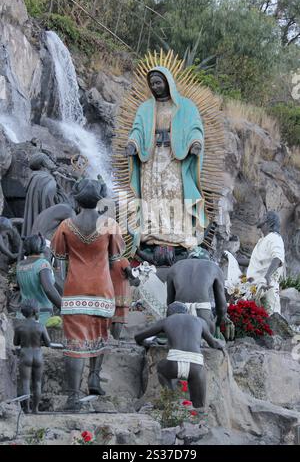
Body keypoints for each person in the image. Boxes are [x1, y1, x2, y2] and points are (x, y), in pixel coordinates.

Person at [51, 179, 130, 410]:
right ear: (100, 198)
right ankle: (94, 377)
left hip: (74, 290)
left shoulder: (66, 226)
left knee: (75, 345)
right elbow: (116, 260)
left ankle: (73, 396)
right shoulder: (109, 225)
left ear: (75, 198)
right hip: (102, 290)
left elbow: (60, 259)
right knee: (99, 335)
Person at [125, 66, 208, 255]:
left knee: (174, 192)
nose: (155, 87)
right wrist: (133, 143)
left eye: (158, 82)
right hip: (151, 159)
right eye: (152, 84)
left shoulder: (185, 106)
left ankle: (178, 234)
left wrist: (195, 142)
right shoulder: (145, 108)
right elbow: (137, 129)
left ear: (168, 82)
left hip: (174, 158)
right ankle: (152, 234)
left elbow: (195, 127)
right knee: (152, 196)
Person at [135, 302, 225, 410]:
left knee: (161, 368)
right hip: (195, 366)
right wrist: (222, 345)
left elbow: (138, 336)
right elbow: (214, 343)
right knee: (199, 406)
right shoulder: (200, 321)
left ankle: (171, 402)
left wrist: (145, 343)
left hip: (173, 364)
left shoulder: (167, 320)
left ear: (169, 313)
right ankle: (198, 417)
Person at [166, 258, 234, 339]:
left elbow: (170, 303)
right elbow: (222, 308)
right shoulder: (214, 267)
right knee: (214, 335)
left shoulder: (174, 267)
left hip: (178, 319)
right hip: (203, 318)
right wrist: (219, 323)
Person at [13, 299, 51, 414]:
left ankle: (27, 409)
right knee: (37, 383)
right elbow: (48, 343)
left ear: (23, 312)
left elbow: (16, 343)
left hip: (25, 355)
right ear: (35, 311)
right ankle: (36, 409)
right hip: (38, 355)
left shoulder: (19, 327)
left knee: (25, 382)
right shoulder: (40, 326)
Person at [245, 211, 285, 314]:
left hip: (267, 288)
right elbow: (254, 263)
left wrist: (267, 276)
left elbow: (277, 258)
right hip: (255, 288)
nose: (260, 217)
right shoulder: (262, 240)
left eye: (263, 216)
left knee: (271, 319)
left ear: (268, 222)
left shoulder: (275, 237)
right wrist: (233, 259)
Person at [16, 234, 61, 325]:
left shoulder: (19, 266)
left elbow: (20, 286)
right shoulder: (42, 264)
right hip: (41, 316)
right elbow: (48, 289)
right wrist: (64, 307)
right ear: (42, 247)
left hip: (22, 316)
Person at [22, 152, 70, 237]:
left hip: (35, 220)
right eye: (48, 160)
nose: (51, 162)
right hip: (46, 226)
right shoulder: (47, 179)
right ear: (43, 163)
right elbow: (53, 203)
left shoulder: (34, 177)